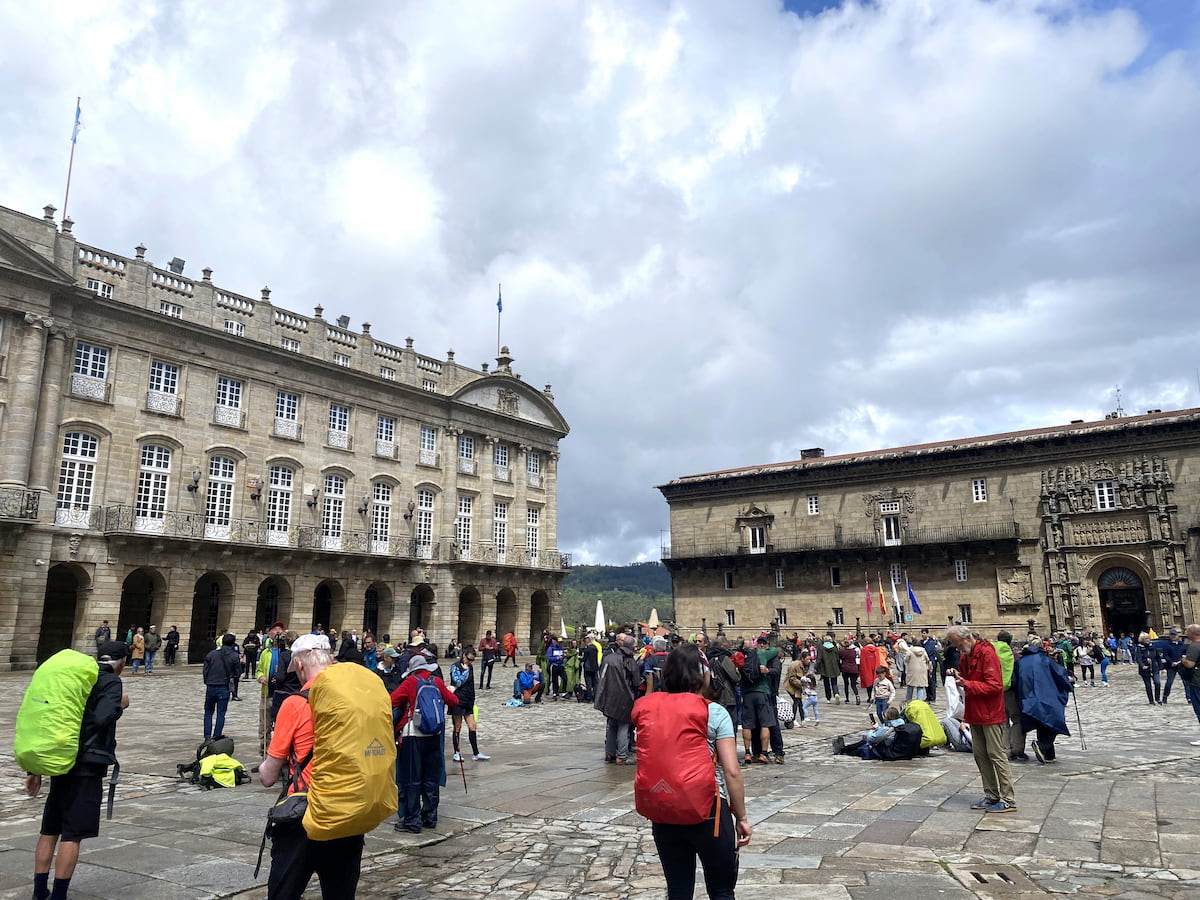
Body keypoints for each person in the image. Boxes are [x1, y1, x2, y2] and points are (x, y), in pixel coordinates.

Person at [641, 642, 751, 900]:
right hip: (710, 811)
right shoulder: (714, 712)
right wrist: (742, 817)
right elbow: (732, 771)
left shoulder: (652, 709)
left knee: (678, 890)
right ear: (702, 674)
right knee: (722, 890)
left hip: (665, 811)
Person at [259, 634, 365, 898]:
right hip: (348, 813)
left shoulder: (295, 704)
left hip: (306, 816)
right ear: (330, 660)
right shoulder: (357, 702)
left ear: (301, 665)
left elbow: (269, 776)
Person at [26, 641, 129, 900]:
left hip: (60, 759)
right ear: (122, 663)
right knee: (72, 835)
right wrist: (121, 705)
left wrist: (36, 768)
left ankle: (39, 893)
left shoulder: (75, 679)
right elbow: (101, 718)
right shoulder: (110, 681)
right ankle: (59, 896)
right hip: (86, 765)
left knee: (49, 830)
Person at [945, 624, 1016, 814]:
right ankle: (991, 794)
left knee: (996, 754)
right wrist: (959, 676)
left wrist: (967, 683)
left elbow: (994, 685)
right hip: (974, 712)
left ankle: (1008, 799)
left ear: (968, 638)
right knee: (981, 755)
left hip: (991, 713)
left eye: (958, 645)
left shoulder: (987, 653)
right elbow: (969, 680)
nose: (958, 649)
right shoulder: (966, 656)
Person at [390, 653, 458, 833]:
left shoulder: (410, 682)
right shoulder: (436, 681)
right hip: (434, 735)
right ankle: (430, 817)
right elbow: (454, 701)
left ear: (412, 669)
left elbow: (391, 701)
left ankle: (412, 820)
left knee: (413, 778)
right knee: (431, 778)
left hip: (413, 735)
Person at [1016, 637, 1073, 764]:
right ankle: (1042, 745)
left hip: (1028, 698)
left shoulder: (1020, 661)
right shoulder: (1045, 660)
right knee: (1054, 722)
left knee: (1042, 723)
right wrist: (1070, 680)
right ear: (1042, 646)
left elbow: (1015, 681)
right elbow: (1060, 675)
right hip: (1047, 696)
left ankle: (1048, 755)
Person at [594, 633, 639, 764]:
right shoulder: (629, 660)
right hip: (625, 697)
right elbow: (636, 681)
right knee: (624, 727)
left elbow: (601, 677)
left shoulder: (609, 658)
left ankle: (609, 753)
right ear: (632, 647)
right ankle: (622, 755)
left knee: (611, 726)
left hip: (609, 696)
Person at [448, 649, 489, 761]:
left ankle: (476, 752)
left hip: (468, 700)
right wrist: (465, 670)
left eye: (472, 660)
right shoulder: (455, 666)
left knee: (472, 726)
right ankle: (456, 752)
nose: (470, 662)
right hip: (457, 699)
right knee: (457, 726)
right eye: (469, 659)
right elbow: (457, 681)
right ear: (464, 656)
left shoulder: (470, 667)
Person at [202, 634, 240, 739]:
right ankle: (217, 735)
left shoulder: (211, 654)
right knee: (221, 713)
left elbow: (205, 670)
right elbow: (238, 672)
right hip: (224, 686)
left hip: (211, 685)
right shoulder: (234, 656)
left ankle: (207, 735)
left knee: (208, 712)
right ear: (233, 643)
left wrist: (207, 681)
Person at [1180, 623, 1200, 746]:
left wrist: (1183, 660)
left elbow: (1190, 664)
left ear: (1192, 634)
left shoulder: (1194, 646)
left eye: (1187, 631)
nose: (1186, 634)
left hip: (1197, 681)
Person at [1134, 631, 1165, 705]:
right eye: (1146, 638)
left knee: (1157, 683)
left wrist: (1162, 668)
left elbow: (1158, 657)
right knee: (1148, 685)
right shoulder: (1139, 648)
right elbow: (1138, 658)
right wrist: (1143, 665)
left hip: (1154, 668)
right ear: (1142, 639)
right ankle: (1151, 700)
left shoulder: (1153, 647)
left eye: (1148, 638)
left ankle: (1157, 698)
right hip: (1145, 669)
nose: (1148, 640)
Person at [1161, 628, 1187, 703]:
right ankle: (1165, 696)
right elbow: (1166, 655)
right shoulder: (1167, 645)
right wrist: (1171, 662)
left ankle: (1189, 697)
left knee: (1185, 682)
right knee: (1169, 682)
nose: (1173, 636)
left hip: (1181, 665)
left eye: (1174, 635)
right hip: (1171, 666)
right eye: (1172, 635)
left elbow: (1185, 653)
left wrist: (1183, 658)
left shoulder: (1181, 644)